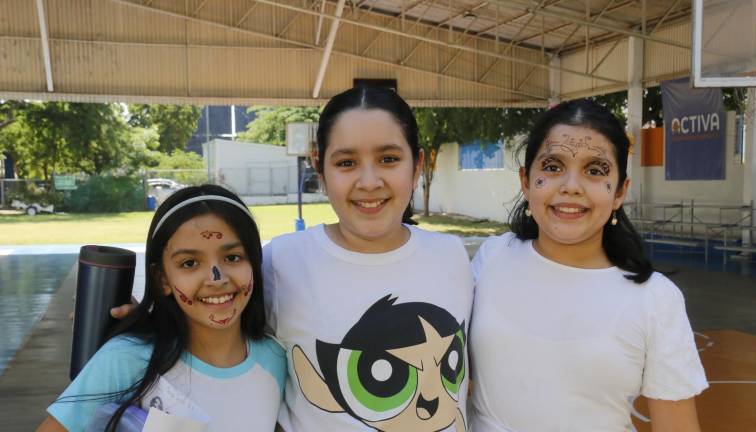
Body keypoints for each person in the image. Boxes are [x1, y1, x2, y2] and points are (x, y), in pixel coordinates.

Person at [468, 100, 708, 431]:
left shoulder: (655, 300)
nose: (571, 186)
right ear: (525, 181)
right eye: (552, 166)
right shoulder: (491, 258)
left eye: (595, 170)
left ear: (621, 191)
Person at [265, 86, 474, 431]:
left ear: (418, 164)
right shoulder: (280, 262)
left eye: (388, 159)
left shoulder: (451, 256)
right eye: (346, 163)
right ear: (320, 168)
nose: (369, 181)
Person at [38, 185, 286, 432]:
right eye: (189, 263)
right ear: (163, 279)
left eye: (233, 257)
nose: (216, 278)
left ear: (254, 262)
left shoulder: (276, 358)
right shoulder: (127, 359)